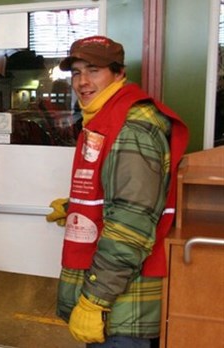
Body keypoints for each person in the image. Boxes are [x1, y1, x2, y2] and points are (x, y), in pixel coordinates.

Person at [45, 36, 189, 347]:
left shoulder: (132, 127)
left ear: (118, 73)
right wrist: (77, 208)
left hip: (122, 305)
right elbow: (125, 195)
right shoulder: (105, 118)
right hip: (117, 301)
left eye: (93, 70)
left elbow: (131, 222)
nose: (82, 82)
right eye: (76, 72)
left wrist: (95, 300)